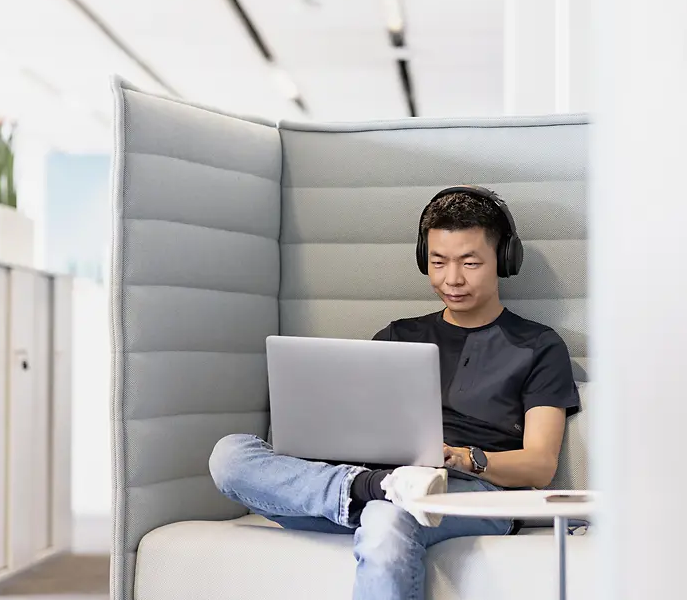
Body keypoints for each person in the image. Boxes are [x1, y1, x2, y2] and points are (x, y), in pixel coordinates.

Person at [208, 186, 581, 600]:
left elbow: (539, 465)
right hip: (379, 480)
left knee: (387, 520)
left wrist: (464, 458)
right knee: (230, 456)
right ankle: (372, 486)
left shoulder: (538, 345)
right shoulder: (398, 336)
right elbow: (359, 424)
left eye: (470, 263)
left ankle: (373, 493)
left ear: (505, 261)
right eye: (438, 263)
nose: (451, 279)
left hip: (473, 494)